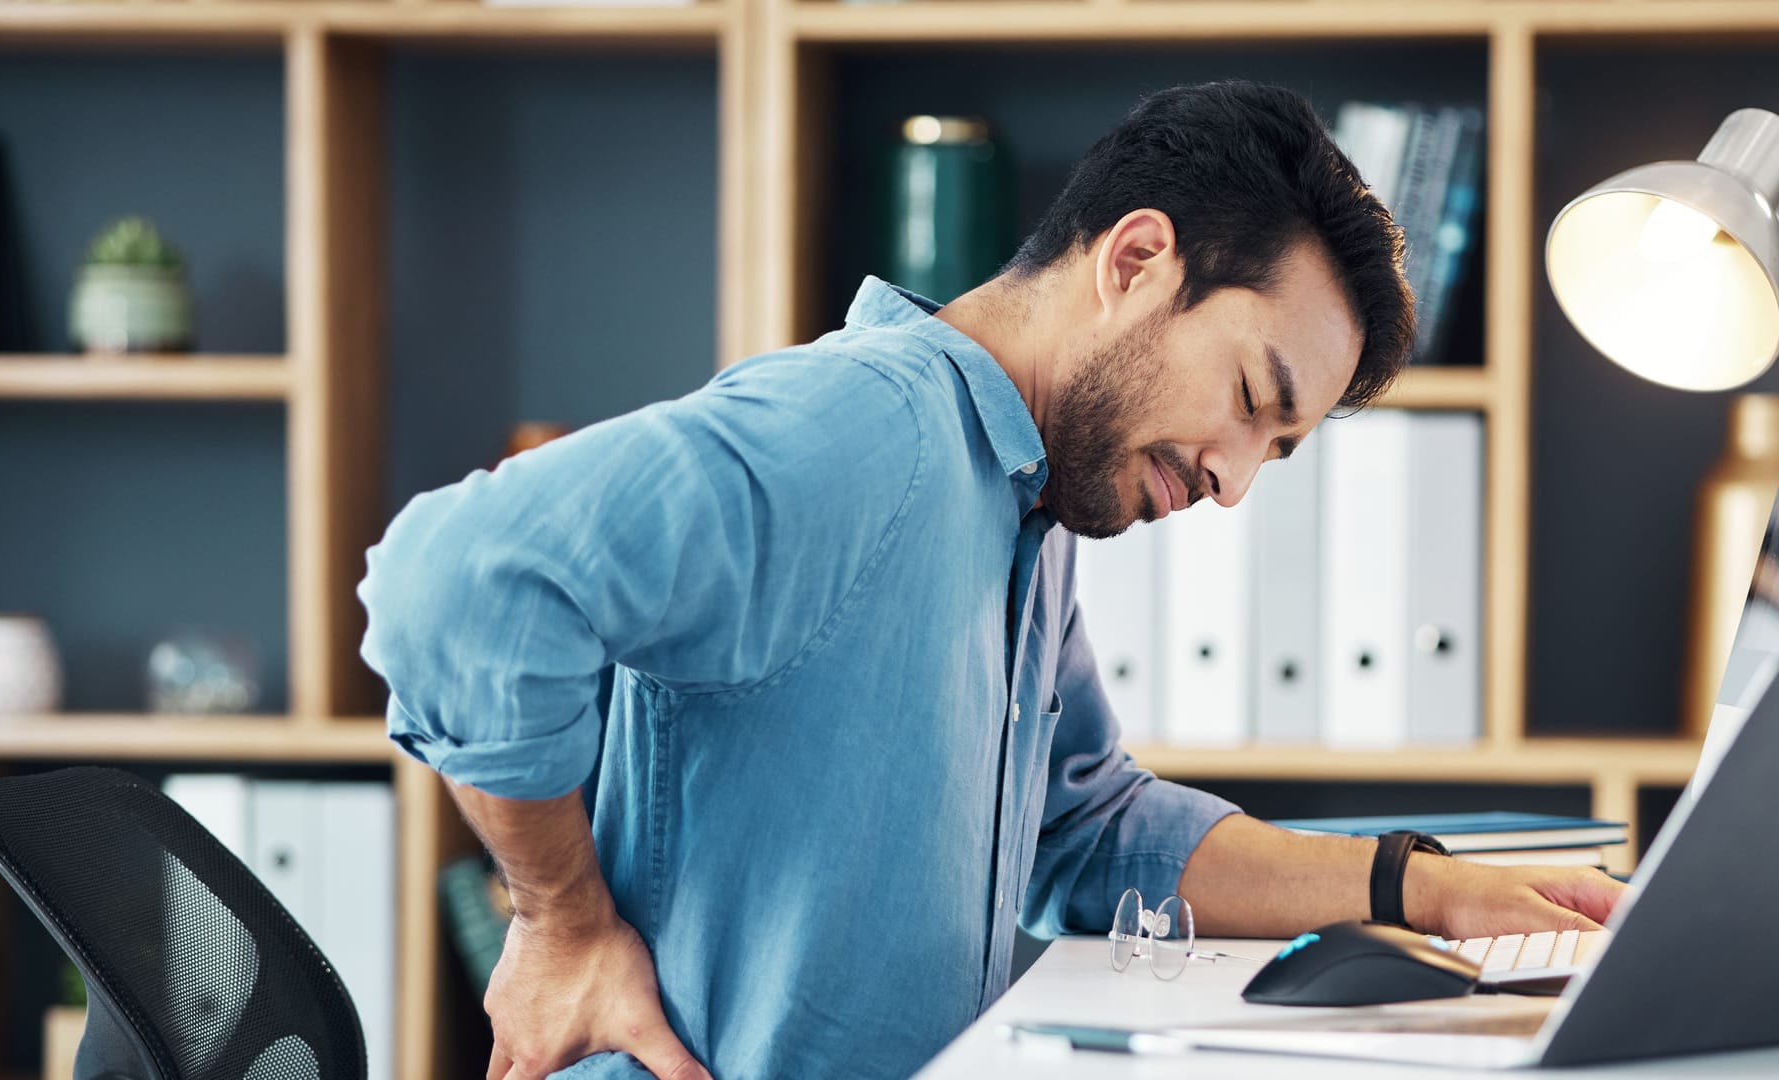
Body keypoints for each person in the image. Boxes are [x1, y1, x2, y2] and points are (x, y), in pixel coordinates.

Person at [358, 80, 1623, 1080]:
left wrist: (1426, 887)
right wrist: (561, 921)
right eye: (1250, 401)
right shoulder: (864, 432)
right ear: (1134, 261)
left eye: (1276, 452)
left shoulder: (1016, 496)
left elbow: (1086, 828)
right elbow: (455, 577)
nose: (1236, 481)